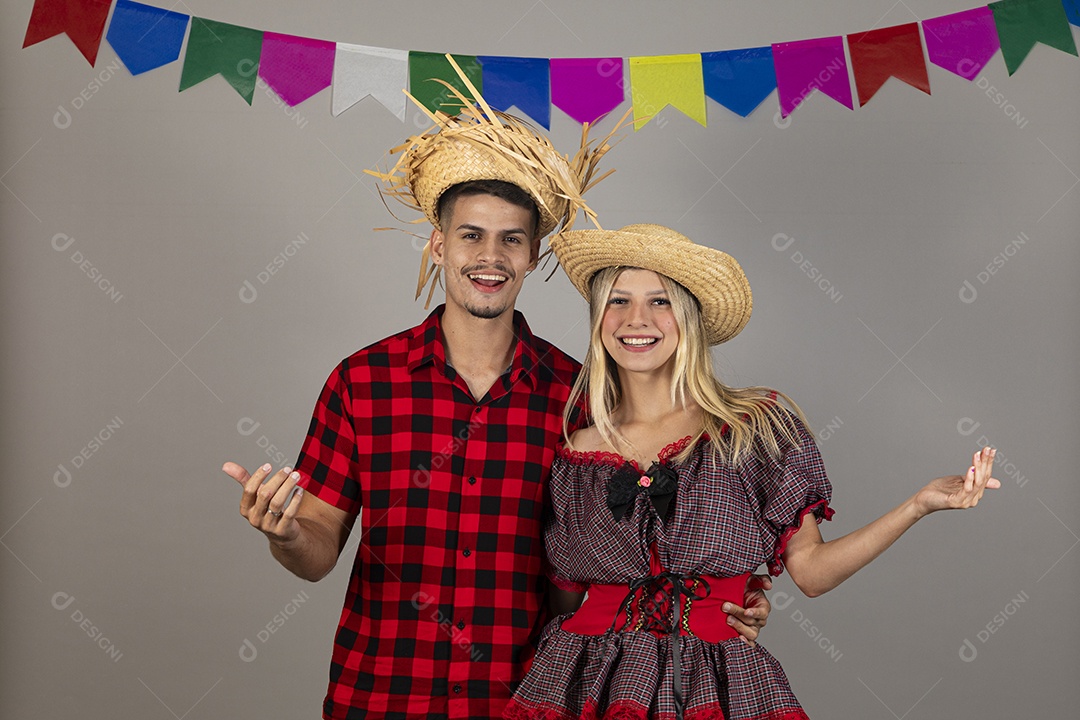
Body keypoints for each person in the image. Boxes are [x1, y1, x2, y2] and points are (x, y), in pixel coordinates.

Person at [221, 64, 771, 720]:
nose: (491, 256)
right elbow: (315, 548)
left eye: (511, 239)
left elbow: (626, 561)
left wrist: (721, 598)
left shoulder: (582, 397)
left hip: (532, 701)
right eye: (471, 236)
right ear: (437, 245)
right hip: (379, 697)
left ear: (533, 253)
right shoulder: (363, 381)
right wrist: (283, 533)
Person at [503, 224, 999, 720]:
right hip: (588, 681)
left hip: (718, 681)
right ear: (597, 318)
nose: (637, 319)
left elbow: (811, 573)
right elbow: (563, 602)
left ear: (688, 317)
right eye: (618, 300)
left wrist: (918, 505)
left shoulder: (754, 430)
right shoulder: (574, 453)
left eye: (660, 301)